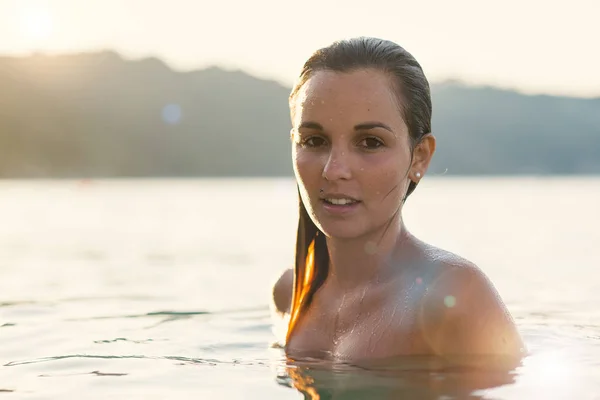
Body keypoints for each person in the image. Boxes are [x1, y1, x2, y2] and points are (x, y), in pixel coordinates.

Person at [271, 37, 525, 362]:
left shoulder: (454, 297)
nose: (334, 170)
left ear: (419, 157)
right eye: (314, 140)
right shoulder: (290, 293)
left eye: (370, 142)